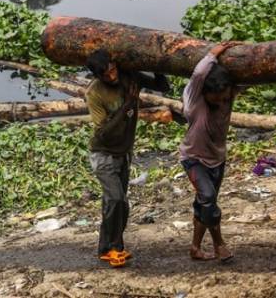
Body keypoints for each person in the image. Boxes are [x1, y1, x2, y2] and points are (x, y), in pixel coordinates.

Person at [85, 48, 169, 268]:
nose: (112, 77)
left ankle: (108, 248)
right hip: (103, 154)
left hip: (123, 152)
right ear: (98, 76)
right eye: (106, 75)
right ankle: (114, 248)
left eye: (113, 70)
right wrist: (127, 106)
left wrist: (155, 64)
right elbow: (103, 132)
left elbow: (163, 87)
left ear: (115, 65)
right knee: (116, 200)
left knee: (115, 203)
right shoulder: (94, 93)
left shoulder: (128, 77)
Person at [179, 41, 244, 263]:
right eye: (215, 96)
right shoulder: (194, 99)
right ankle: (219, 245)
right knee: (208, 198)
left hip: (217, 158)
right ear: (205, 92)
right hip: (194, 158)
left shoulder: (228, 95)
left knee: (204, 202)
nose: (220, 100)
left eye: (224, 95)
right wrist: (213, 53)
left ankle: (195, 248)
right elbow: (198, 74)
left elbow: (249, 79)